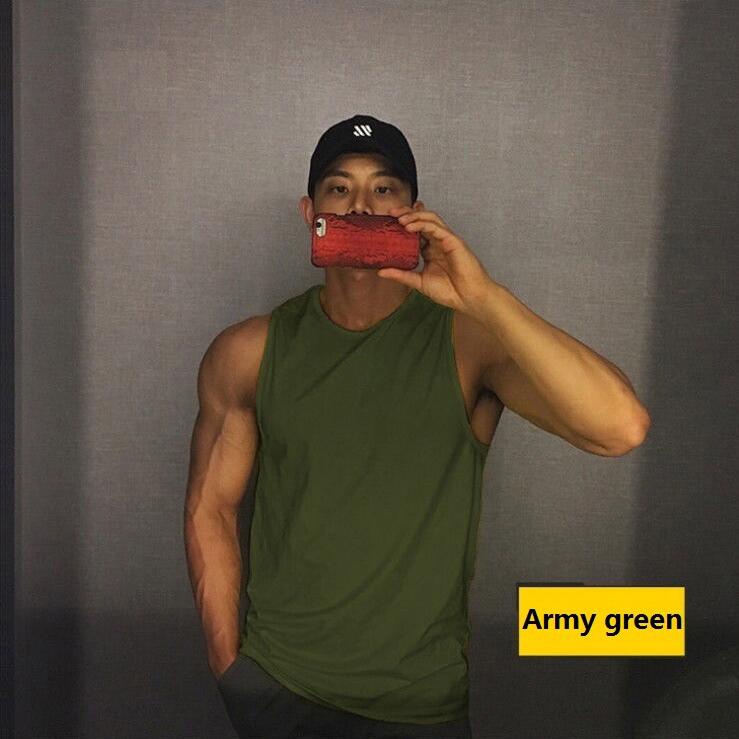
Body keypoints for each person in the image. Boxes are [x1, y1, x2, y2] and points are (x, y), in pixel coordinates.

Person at [184, 114, 651, 739]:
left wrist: (483, 297)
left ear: (414, 213)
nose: (361, 205)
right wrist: (232, 671)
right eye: (339, 188)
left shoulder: (469, 344)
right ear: (310, 212)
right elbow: (210, 507)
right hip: (279, 688)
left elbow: (620, 427)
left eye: (384, 189)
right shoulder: (249, 352)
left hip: (418, 707)